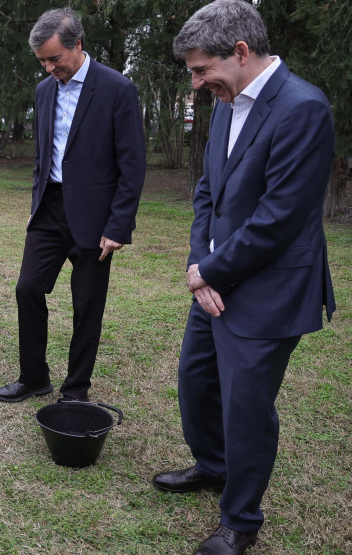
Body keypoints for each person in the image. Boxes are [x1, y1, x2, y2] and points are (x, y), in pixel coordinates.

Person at [151, 1, 335, 553]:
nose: (198, 82)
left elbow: (278, 220)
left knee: (247, 408)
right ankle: (214, 466)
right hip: (214, 281)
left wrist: (207, 270)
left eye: (201, 69)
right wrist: (199, 266)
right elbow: (207, 191)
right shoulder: (229, 104)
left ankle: (240, 522)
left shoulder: (303, 108)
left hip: (269, 290)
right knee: (197, 383)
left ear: (240, 51)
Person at [0, 8, 146, 404]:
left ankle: (76, 389)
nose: (48, 68)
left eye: (54, 59)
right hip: (49, 209)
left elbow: (132, 165)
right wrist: (35, 202)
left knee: (86, 305)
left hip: (96, 218)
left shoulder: (117, 89)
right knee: (27, 288)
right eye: (42, 61)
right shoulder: (44, 91)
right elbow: (43, 155)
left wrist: (118, 226)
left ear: (77, 45)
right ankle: (34, 377)